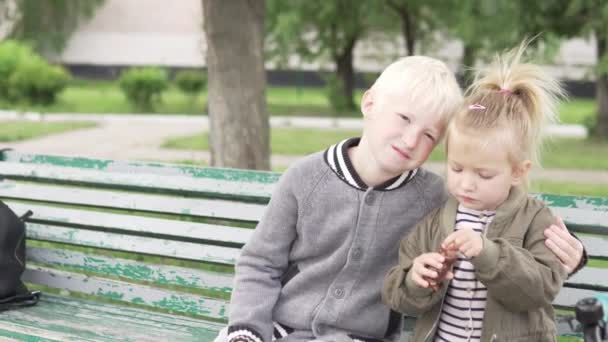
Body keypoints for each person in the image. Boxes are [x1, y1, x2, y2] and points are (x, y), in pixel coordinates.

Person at [218, 55, 586, 342]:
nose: (412, 140)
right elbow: (259, 263)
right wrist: (248, 327)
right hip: (277, 326)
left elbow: (500, 204)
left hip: (358, 335)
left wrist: (571, 253)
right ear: (369, 103)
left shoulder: (435, 196)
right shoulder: (305, 178)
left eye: (429, 135)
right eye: (404, 118)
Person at [382, 43, 579, 342]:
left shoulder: (535, 220)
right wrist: (416, 279)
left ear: (517, 172)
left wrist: (489, 253)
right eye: (457, 169)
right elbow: (400, 298)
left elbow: (540, 289)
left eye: (484, 174)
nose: (467, 184)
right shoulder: (437, 221)